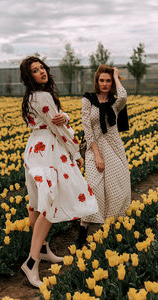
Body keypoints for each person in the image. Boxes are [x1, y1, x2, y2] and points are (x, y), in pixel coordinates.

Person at [19, 56, 98, 288]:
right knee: (49, 203)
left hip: (34, 149)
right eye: (35, 70)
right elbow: (58, 127)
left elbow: (54, 118)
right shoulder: (43, 96)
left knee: (36, 202)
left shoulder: (30, 97)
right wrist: (75, 153)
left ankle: (42, 250)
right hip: (50, 152)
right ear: (28, 76)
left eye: (42, 67)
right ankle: (31, 263)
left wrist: (66, 116)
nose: (41, 71)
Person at [75, 65, 131, 248]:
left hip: (114, 149)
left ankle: (112, 232)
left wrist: (116, 75)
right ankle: (83, 230)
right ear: (97, 82)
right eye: (102, 80)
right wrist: (97, 155)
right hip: (94, 150)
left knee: (115, 189)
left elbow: (123, 95)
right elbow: (87, 129)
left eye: (108, 81)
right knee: (93, 187)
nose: (105, 84)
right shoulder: (88, 100)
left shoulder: (115, 103)